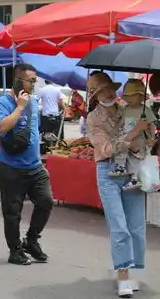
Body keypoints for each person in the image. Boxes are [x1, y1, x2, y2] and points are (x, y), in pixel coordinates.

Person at [86, 72, 148, 297]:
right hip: (107, 172)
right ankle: (123, 277)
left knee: (137, 227)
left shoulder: (129, 109)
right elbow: (104, 149)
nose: (109, 93)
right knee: (119, 227)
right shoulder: (93, 118)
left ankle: (131, 273)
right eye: (102, 90)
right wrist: (132, 135)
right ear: (95, 94)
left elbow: (141, 141)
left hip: (132, 169)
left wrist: (143, 133)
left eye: (110, 88)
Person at [0, 63, 54, 266]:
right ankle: (15, 250)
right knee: (12, 213)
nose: (35, 84)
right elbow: (2, 127)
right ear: (19, 80)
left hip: (35, 166)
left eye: (35, 80)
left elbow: (34, 130)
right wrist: (19, 107)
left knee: (46, 201)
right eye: (32, 80)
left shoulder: (34, 101)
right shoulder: (3, 102)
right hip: (11, 166)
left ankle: (31, 240)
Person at [110, 79, 156, 191]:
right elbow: (121, 122)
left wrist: (152, 138)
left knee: (136, 158)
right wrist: (114, 130)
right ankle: (121, 168)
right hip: (127, 135)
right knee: (122, 150)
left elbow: (152, 125)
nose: (129, 99)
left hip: (140, 138)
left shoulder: (145, 110)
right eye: (127, 96)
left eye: (133, 96)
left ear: (141, 96)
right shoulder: (126, 109)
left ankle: (135, 179)